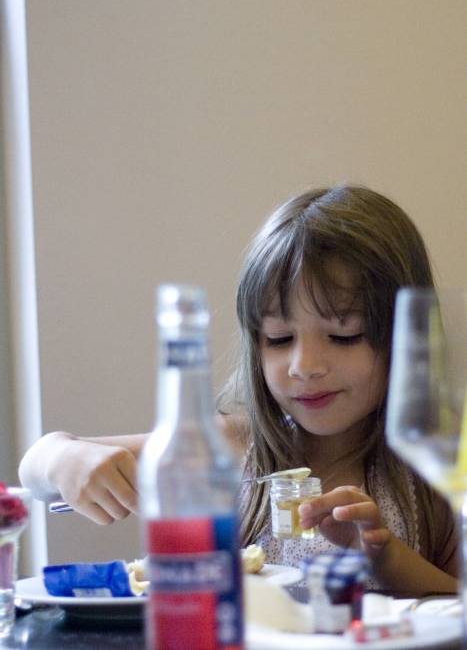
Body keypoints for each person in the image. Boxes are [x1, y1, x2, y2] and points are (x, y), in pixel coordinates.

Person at [19, 184, 458, 596]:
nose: (304, 367)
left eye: (344, 336)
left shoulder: (434, 468)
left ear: (406, 337)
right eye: (279, 339)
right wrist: (63, 460)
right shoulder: (228, 447)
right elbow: (34, 470)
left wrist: (383, 559)